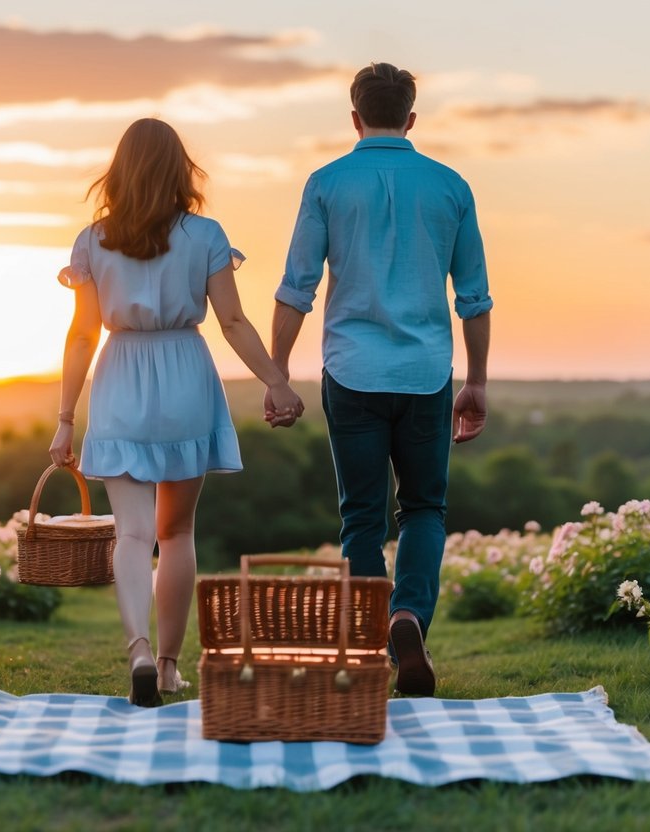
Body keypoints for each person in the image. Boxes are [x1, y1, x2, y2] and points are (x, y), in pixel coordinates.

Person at [49, 118, 304, 707]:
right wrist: (276, 382)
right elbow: (233, 321)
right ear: (179, 170)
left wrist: (66, 418)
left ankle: (137, 647)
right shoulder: (207, 234)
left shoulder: (92, 241)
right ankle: (166, 667)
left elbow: (82, 335)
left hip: (120, 378)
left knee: (133, 533)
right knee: (178, 530)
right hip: (185, 372)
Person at [266, 62, 493, 697]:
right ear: (411, 119)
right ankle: (408, 616)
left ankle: (372, 642)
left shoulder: (326, 183)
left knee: (361, 518)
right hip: (426, 374)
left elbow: (296, 289)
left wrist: (278, 372)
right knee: (423, 508)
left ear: (356, 117)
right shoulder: (450, 186)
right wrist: (475, 381)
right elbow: (473, 298)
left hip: (352, 372)